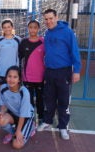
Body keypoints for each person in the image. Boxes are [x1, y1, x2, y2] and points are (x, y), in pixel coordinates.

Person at [37, 9, 81, 140]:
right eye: (46, 19)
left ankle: (62, 127)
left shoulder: (67, 32)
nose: (48, 21)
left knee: (63, 100)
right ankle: (47, 121)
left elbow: (74, 51)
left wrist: (77, 70)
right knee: (48, 98)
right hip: (49, 71)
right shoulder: (47, 34)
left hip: (63, 71)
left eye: (51, 18)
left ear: (56, 17)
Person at [0, 66, 35, 149]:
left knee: (16, 145)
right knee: (0, 119)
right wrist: (2, 113)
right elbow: (3, 104)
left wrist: (19, 131)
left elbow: (23, 114)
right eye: (9, 76)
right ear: (6, 77)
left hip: (26, 117)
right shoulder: (3, 88)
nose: (11, 79)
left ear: (19, 79)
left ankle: (31, 126)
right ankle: (13, 132)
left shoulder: (24, 92)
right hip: (13, 113)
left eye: (15, 77)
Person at [19, 20, 45, 124]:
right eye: (30, 27)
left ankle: (41, 117)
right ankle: (30, 118)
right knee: (28, 99)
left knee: (40, 99)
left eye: (35, 27)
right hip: (27, 77)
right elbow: (19, 58)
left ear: (38, 29)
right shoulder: (24, 42)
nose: (32, 29)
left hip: (40, 77)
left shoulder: (43, 42)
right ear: (28, 28)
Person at [0, 18, 21, 94]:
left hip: (13, 72)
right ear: (2, 29)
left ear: (12, 27)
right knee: (0, 93)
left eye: (9, 27)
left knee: (13, 92)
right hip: (0, 71)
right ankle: (1, 106)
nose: (7, 29)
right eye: (4, 27)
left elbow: (20, 55)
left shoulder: (18, 40)